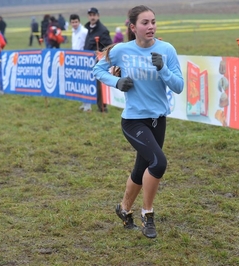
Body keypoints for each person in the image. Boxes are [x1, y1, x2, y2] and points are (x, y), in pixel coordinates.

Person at [92, 5, 184, 238]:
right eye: (145, 23)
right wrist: (116, 83)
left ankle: (123, 209)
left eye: (153, 21)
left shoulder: (167, 50)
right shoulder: (122, 50)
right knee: (158, 163)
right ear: (133, 27)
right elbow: (98, 70)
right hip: (134, 121)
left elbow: (179, 86)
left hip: (158, 120)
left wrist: (162, 69)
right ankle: (147, 214)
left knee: (141, 168)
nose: (151, 26)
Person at [84, 7, 112, 112]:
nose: (92, 17)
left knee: (99, 84)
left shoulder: (102, 30)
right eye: (90, 15)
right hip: (87, 61)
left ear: (98, 16)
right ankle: (89, 103)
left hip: (98, 62)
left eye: (94, 15)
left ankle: (102, 107)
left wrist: (100, 52)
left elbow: (109, 46)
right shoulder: (88, 29)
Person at [69, 14, 90, 112]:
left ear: (79, 21)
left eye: (76, 22)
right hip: (76, 60)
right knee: (80, 82)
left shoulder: (84, 32)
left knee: (85, 82)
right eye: (72, 22)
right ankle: (83, 102)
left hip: (84, 59)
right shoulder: (73, 32)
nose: (74, 24)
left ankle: (88, 104)